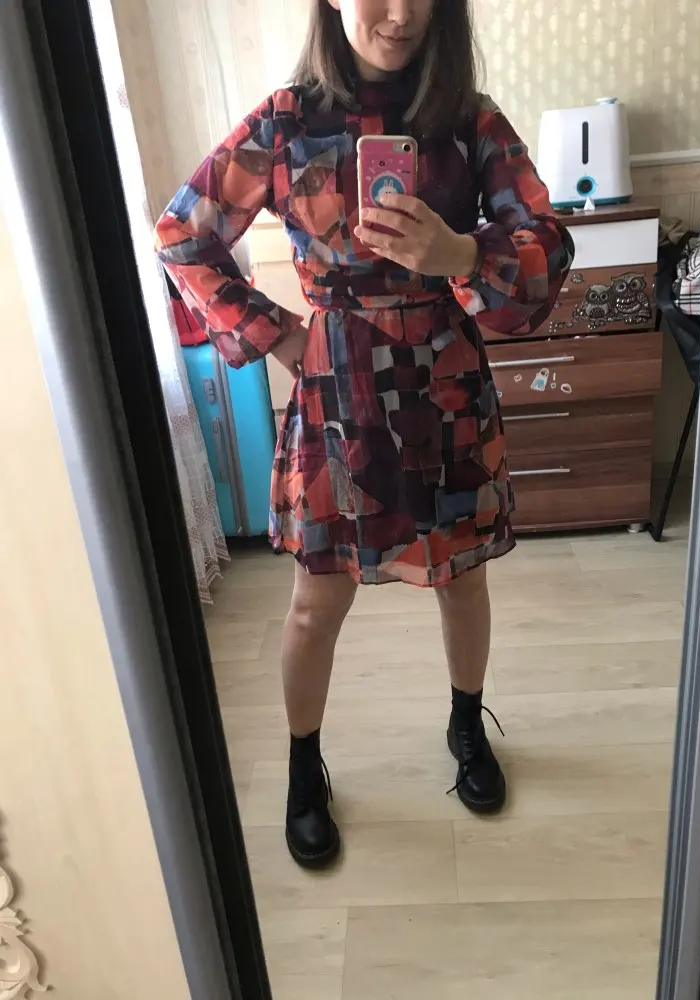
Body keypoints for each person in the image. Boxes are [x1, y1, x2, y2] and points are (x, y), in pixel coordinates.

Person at [155, 0, 574, 870]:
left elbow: (547, 246)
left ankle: (466, 725)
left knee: (462, 580)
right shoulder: (283, 122)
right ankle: (304, 768)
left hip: (445, 388)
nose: (403, 12)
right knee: (316, 602)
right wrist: (277, 333)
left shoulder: (468, 120)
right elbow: (181, 234)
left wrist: (461, 256)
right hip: (335, 391)